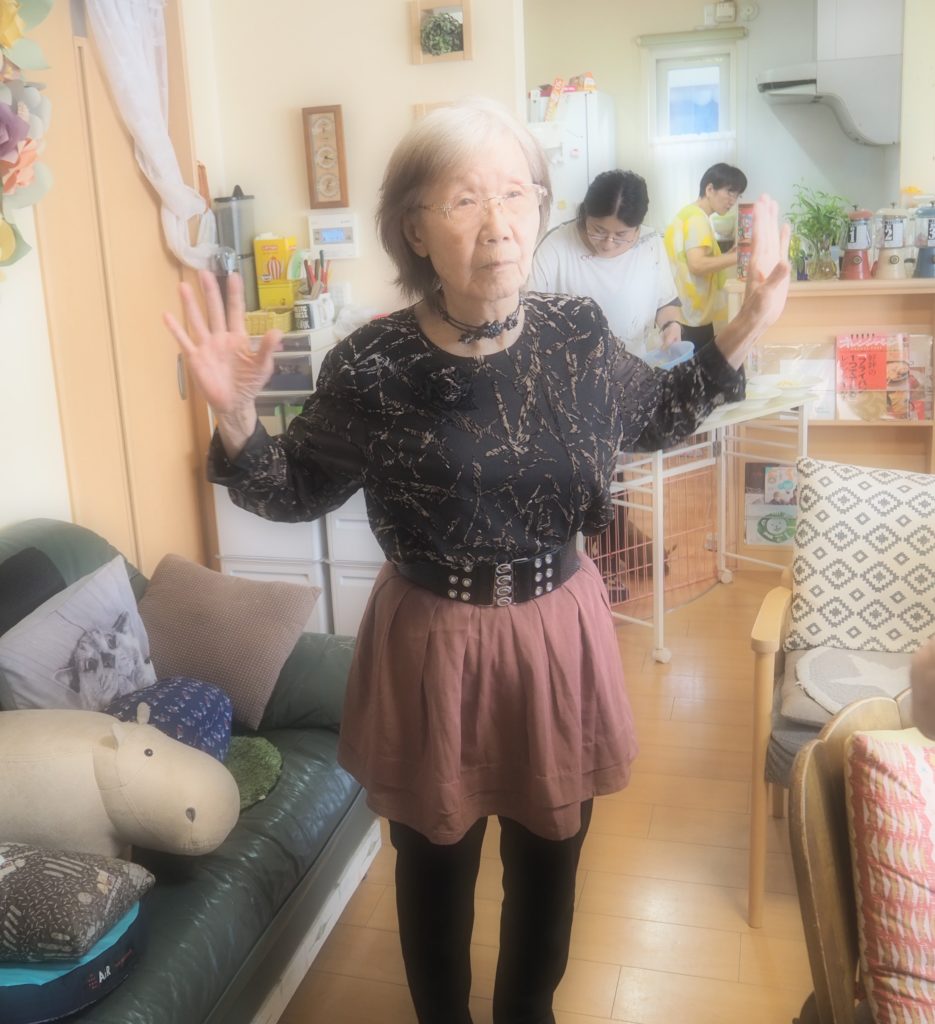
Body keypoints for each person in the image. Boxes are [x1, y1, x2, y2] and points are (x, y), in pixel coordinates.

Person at [164, 98, 790, 1024]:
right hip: (432, 639)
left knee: (550, 860)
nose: (497, 224)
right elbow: (291, 489)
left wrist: (746, 324)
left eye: (516, 194)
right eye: (464, 200)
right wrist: (235, 416)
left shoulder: (578, 334)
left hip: (557, 630)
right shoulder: (371, 362)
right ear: (414, 227)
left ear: (540, 208)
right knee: (434, 870)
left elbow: (658, 414)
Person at [529, 169, 681, 358]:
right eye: (598, 230)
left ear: (637, 228)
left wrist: (671, 325)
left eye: (621, 235)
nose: (608, 244)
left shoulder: (650, 244)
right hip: (571, 367)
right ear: (586, 214)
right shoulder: (555, 246)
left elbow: (665, 301)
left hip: (633, 365)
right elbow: (528, 314)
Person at [664, 162, 748, 346]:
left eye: (737, 195)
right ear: (710, 189)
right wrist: (740, 256)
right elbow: (697, 265)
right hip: (691, 316)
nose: (733, 200)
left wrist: (728, 254)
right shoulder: (697, 219)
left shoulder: (688, 214)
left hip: (683, 312)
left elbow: (694, 260)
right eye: (729, 192)